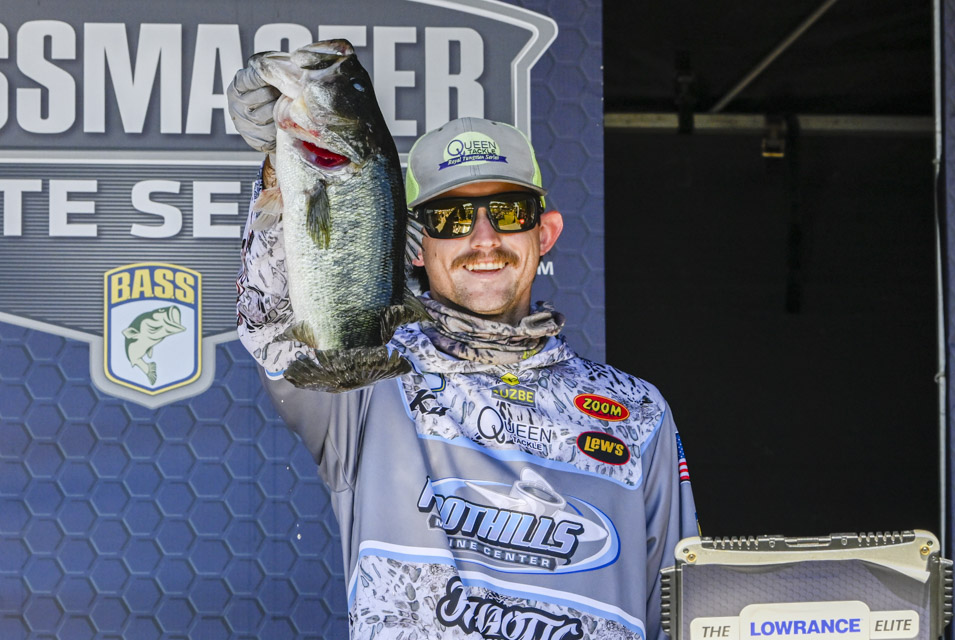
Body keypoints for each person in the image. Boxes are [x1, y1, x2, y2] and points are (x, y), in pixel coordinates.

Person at [230, 61, 698, 640]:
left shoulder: (639, 412)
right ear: (416, 245)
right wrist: (281, 171)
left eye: (508, 212)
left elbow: (684, 613)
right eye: (451, 219)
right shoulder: (371, 376)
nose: (483, 238)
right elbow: (273, 324)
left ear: (545, 232)